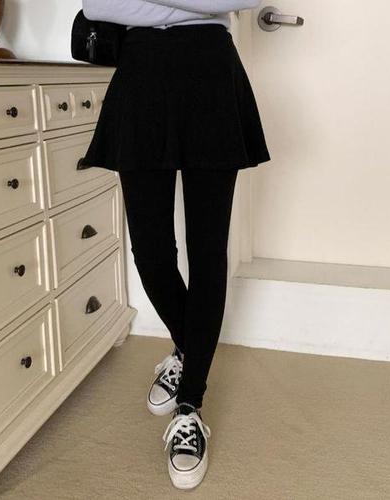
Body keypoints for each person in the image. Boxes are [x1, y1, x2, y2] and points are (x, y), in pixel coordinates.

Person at [80, 0, 270, 490]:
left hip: (211, 73)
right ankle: (189, 347)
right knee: (151, 252)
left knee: (207, 251)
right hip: (141, 75)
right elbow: (97, 3)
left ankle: (190, 404)